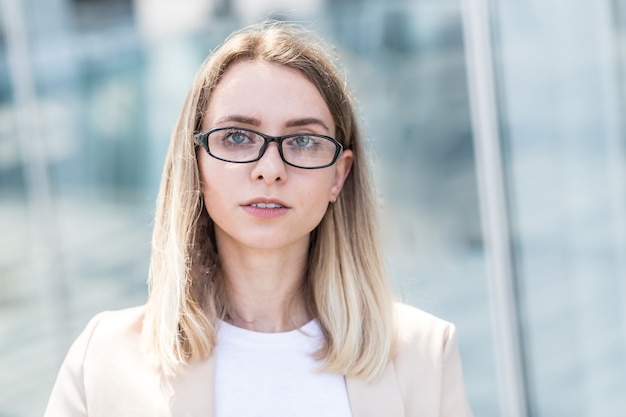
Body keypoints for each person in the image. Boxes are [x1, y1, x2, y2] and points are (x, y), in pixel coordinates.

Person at [44, 20, 473, 417]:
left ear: (338, 176)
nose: (270, 168)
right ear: (195, 163)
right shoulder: (105, 358)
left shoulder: (424, 355)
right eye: (236, 137)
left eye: (303, 140)